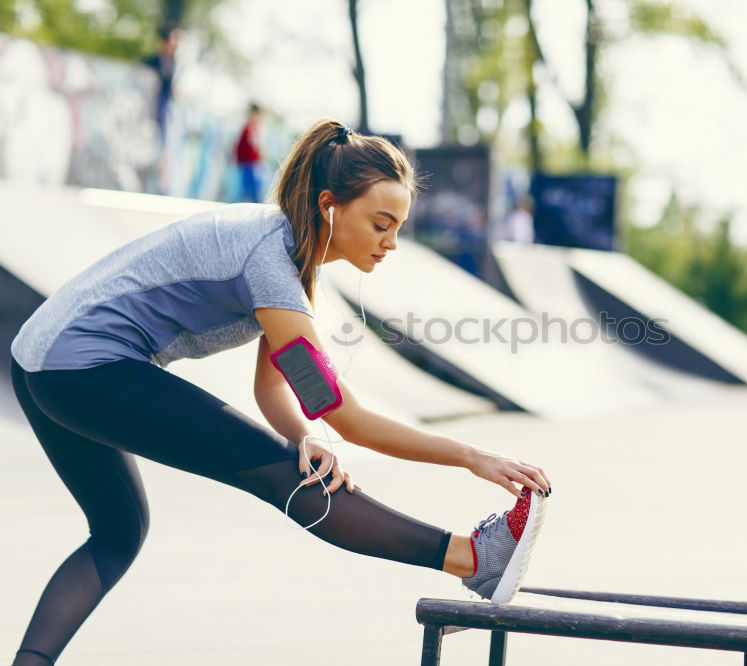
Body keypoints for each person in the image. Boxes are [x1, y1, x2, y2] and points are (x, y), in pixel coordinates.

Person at [6, 120, 552, 666]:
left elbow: (271, 384)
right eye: (380, 223)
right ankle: (471, 558)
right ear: (329, 206)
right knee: (284, 477)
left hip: (40, 364)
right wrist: (474, 457)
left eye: (398, 227)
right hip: (84, 366)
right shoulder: (270, 265)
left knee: (119, 533)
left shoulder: (283, 253)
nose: (390, 243)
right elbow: (348, 417)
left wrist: (302, 434)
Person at [235, 103, 264, 202]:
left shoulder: (252, 129)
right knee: (250, 190)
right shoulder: (248, 129)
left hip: (251, 164)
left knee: (250, 190)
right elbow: (246, 148)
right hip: (248, 164)